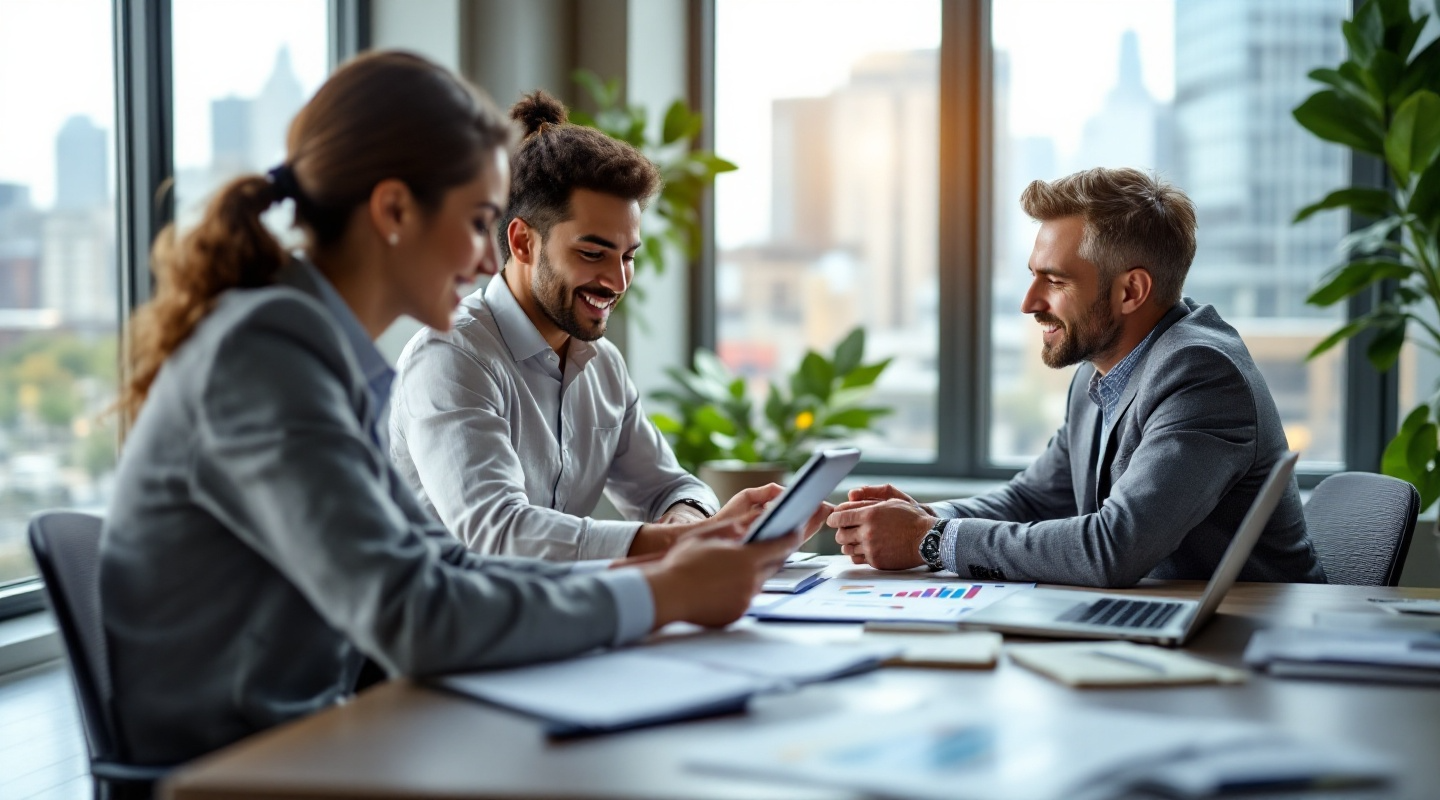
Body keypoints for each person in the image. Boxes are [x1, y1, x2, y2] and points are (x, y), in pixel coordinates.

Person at [100, 51, 816, 768]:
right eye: (479, 222)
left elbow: (443, 565)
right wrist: (659, 592)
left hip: (315, 737)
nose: (483, 262)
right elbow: (418, 613)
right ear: (393, 211)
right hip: (239, 769)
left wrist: (664, 572)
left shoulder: (315, 353)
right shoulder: (268, 356)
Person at [827, 167, 1325, 588]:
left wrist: (926, 540)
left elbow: (1115, 547)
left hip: (1251, 646)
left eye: (1056, 281)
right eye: (1032, 275)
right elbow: (1033, 498)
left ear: (1131, 291)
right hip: (1162, 630)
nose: (1029, 303)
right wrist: (925, 516)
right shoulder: (1100, 373)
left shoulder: (1201, 375)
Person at [388, 90, 723, 560]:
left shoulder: (602, 365)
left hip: (560, 620)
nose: (618, 280)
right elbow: (498, 533)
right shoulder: (450, 356)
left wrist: (687, 517)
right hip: (447, 626)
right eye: (592, 253)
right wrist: (665, 542)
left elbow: (669, 487)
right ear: (523, 242)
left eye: (628, 256)